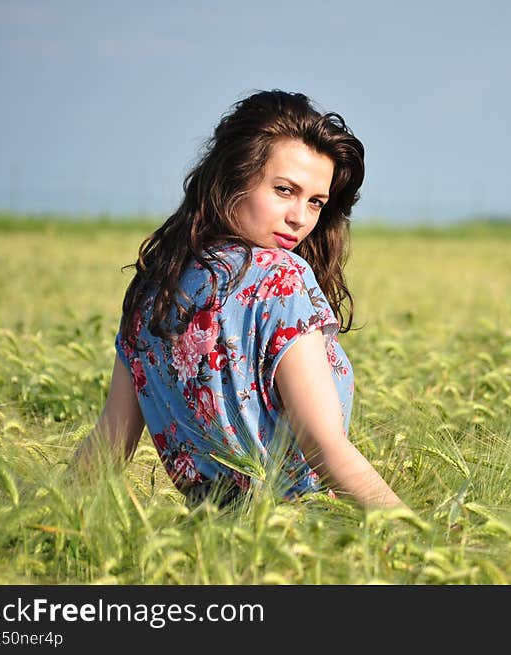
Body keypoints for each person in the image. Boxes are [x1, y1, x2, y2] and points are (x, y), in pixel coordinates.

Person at [74, 90, 404, 510]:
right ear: (234, 176)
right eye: (284, 190)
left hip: (206, 552)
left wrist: (41, 526)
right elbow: (323, 445)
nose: (300, 217)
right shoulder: (282, 277)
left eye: (316, 201)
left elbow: (110, 444)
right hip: (300, 545)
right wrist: (415, 538)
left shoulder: (154, 287)